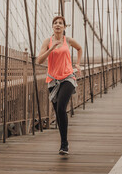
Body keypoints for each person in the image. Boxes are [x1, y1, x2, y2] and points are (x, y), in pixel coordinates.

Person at [37, 16, 82, 155]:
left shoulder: (68, 40)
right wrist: (51, 49)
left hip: (68, 77)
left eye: (60, 23)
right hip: (53, 80)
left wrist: (78, 64)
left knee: (61, 107)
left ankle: (64, 144)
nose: (57, 25)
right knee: (58, 112)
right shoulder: (47, 41)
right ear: (52, 26)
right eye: (55, 23)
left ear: (64, 27)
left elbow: (79, 48)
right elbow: (39, 60)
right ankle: (64, 142)